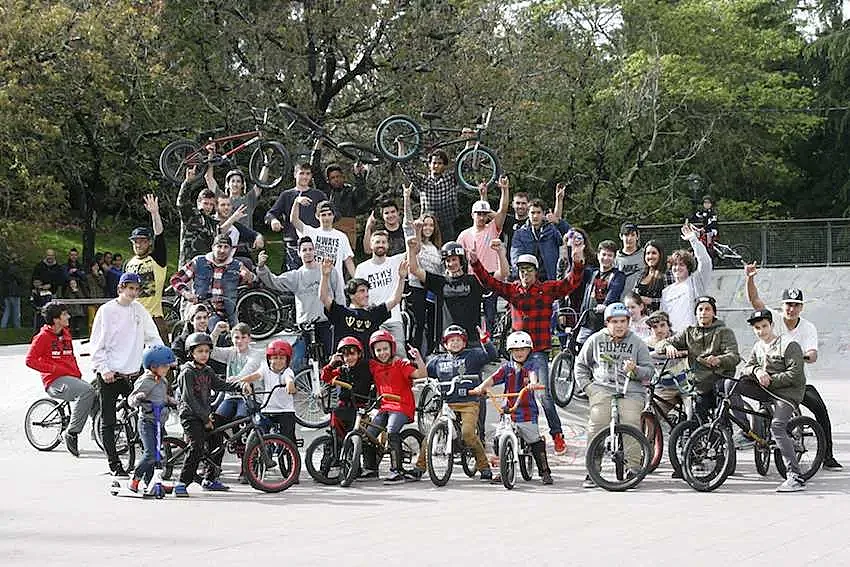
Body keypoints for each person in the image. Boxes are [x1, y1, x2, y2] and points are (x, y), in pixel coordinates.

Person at [471, 242, 586, 455]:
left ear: (535, 272)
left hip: (538, 351)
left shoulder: (546, 290)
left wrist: (577, 262)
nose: (525, 275)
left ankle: (557, 434)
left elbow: (569, 283)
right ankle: (510, 434)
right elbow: (490, 283)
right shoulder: (513, 290)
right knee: (510, 393)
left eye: (529, 270)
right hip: (517, 352)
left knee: (543, 395)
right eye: (522, 271)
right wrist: (475, 263)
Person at [744, 264, 842, 470]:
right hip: (769, 379)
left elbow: (813, 354)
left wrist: (802, 356)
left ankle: (828, 456)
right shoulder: (772, 319)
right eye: (788, 304)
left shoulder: (808, 328)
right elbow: (755, 301)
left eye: (796, 305)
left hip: (796, 380)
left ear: (801, 308)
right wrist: (750, 278)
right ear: (782, 305)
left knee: (821, 412)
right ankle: (756, 439)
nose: (792, 308)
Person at [89, 272, 163, 477]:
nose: (132, 292)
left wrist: (162, 358)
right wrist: (103, 369)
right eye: (129, 288)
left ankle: (152, 460)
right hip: (111, 375)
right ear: (120, 288)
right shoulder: (106, 311)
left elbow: (153, 337)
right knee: (109, 420)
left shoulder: (139, 311)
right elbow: (97, 343)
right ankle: (114, 464)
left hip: (133, 373)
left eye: (136, 289)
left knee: (147, 413)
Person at [575, 302, 655, 488]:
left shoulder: (637, 342)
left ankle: (633, 468)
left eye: (623, 321)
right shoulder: (595, 340)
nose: (619, 325)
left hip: (631, 391)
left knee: (630, 422)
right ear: (607, 323)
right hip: (601, 389)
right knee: (597, 423)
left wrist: (635, 369)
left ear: (628, 322)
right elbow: (580, 366)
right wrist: (588, 388)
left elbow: (649, 371)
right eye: (614, 321)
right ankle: (593, 468)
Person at [411, 325, 498, 481]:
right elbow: (424, 374)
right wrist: (418, 359)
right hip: (446, 404)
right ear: (445, 344)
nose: (455, 343)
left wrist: (485, 340)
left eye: (459, 340)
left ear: (464, 343)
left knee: (468, 433)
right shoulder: (437, 360)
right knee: (430, 434)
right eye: (451, 340)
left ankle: (483, 466)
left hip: (468, 403)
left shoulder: (473, 355)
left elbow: (491, 355)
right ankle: (420, 467)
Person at [737, 309, 808, 491]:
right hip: (767, 390)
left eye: (764, 326)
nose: (761, 331)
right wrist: (757, 371)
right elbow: (748, 366)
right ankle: (745, 431)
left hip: (788, 394)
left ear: (772, 325)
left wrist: (771, 379)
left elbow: (796, 375)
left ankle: (795, 477)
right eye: (757, 328)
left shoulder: (789, 344)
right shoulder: (758, 346)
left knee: (777, 426)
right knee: (731, 385)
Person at [173, 332, 251, 496]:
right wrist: (205, 418)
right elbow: (190, 400)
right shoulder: (187, 372)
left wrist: (240, 386)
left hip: (205, 415)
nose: (204, 355)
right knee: (197, 446)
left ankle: (210, 478)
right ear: (191, 353)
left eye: (207, 351)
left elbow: (221, 385)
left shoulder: (207, 371)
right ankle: (182, 482)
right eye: (200, 351)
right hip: (191, 416)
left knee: (218, 440)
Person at [472, 331, 554, 485]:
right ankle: (504, 469)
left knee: (534, 440)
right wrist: (480, 387)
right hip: (508, 410)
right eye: (515, 350)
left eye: (523, 350)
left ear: (529, 350)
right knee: (498, 438)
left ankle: (544, 471)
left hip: (526, 411)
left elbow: (533, 375)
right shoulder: (507, 368)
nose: (519, 353)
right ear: (510, 352)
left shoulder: (531, 365)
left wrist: (533, 383)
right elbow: (493, 379)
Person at [25, 301, 96, 457]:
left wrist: (77, 374)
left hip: (71, 378)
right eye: (65, 314)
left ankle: (99, 432)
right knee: (87, 391)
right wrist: (53, 369)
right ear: (56, 319)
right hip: (55, 382)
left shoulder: (65, 334)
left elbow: (71, 357)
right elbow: (30, 360)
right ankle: (71, 433)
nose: (68, 316)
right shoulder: (42, 337)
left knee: (95, 391)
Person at [655, 296, 740, 424]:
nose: (703, 313)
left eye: (707, 309)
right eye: (700, 309)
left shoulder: (724, 332)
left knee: (721, 415)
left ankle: (726, 434)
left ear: (714, 313)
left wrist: (719, 360)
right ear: (695, 313)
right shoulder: (689, 332)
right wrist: (668, 346)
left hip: (719, 379)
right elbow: (659, 345)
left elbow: (734, 356)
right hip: (699, 384)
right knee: (697, 417)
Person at [256, 238, 341, 365]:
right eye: (304, 250)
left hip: (326, 322)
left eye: (310, 249)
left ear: (315, 251)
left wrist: (341, 316)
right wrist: (262, 267)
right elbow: (274, 282)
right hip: (306, 325)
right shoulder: (295, 275)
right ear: (299, 253)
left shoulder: (328, 270)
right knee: (305, 361)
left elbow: (339, 293)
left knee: (331, 358)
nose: (307, 253)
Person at [408, 238, 508, 344]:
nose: (451, 264)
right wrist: (411, 250)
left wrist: (500, 253)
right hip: (447, 342)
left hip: (472, 342)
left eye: (454, 259)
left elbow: (502, 274)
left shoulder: (474, 280)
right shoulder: (439, 282)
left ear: (461, 260)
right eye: (448, 260)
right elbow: (414, 269)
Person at [367, 330, 428, 482]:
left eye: (385, 349)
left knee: (391, 431)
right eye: (378, 350)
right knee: (368, 434)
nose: (382, 353)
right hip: (384, 407)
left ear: (392, 348)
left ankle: (397, 470)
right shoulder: (374, 366)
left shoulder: (400, 364)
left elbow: (422, 374)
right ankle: (370, 468)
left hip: (402, 406)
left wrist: (418, 358)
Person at [320, 257, 406, 355]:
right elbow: (324, 297)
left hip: (369, 366)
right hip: (346, 365)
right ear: (351, 295)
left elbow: (395, 300)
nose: (367, 295)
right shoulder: (341, 313)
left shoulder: (373, 313)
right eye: (362, 291)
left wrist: (401, 278)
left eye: (367, 291)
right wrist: (325, 276)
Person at [457, 176, 510, 333]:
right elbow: (458, 258)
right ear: (472, 215)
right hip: (472, 277)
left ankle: (491, 340)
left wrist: (504, 190)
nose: (481, 217)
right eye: (478, 214)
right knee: (471, 311)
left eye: (484, 214)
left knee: (490, 312)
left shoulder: (492, 228)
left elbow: (503, 210)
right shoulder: (464, 235)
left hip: (492, 275)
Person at [320, 337, 378, 476]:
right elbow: (325, 377)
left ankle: (367, 467)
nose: (349, 358)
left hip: (361, 406)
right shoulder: (341, 369)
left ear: (359, 354)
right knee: (335, 435)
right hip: (343, 407)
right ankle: (330, 464)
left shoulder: (368, 365)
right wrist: (331, 364)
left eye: (352, 354)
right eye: (345, 355)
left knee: (363, 436)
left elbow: (381, 371)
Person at [170, 234, 254, 327]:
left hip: (227, 313)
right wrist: (187, 293)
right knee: (209, 323)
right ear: (212, 247)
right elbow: (175, 279)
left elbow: (252, 283)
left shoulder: (236, 265)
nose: (222, 250)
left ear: (230, 250)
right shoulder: (199, 262)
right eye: (219, 246)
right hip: (201, 309)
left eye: (226, 247)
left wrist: (249, 277)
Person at [127, 345, 178, 493]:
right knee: (151, 453)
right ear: (153, 366)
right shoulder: (145, 381)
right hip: (148, 422)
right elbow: (131, 399)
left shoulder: (162, 380)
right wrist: (137, 398)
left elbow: (162, 396)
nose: (167, 369)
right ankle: (135, 478)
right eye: (164, 366)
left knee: (156, 455)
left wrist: (172, 401)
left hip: (159, 422)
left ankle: (150, 483)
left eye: (168, 366)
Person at [265, 161, 328, 271]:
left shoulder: (319, 195)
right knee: (293, 279)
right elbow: (270, 214)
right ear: (295, 174)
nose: (305, 177)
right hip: (293, 244)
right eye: (302, 173)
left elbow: (332, 214)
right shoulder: (287, 195)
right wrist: (273, 221)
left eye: (308, 174)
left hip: (315, 244)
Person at [403, 183, 443, 353]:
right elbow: (407, 224)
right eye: (424, 225)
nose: (427, 228)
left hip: (433, 288)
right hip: (417, 287)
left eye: (430, 225)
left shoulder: (436, 248)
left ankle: (433, 353)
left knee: (433, 323)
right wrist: (406, 199)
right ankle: (415, 354)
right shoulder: (414, 239)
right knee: (419, 322)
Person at [123, 194, 169, 342]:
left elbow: (159, 234)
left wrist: (155, 214)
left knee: (162, 360)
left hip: (153, 318)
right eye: (135, 241)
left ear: (149, 243)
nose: (138, 244)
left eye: (142, 241)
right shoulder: (128, 263)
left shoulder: (157, 259)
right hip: (132, 318)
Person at [291, 197, 355, 302]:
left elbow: (348, 261)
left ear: (333, 216)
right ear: (317, 216)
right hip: (315, 285)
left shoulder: (341, 236)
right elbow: (294, 220)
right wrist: (296, 202)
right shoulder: (311, 232)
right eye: (323, 215)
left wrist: (357, 280)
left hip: (336, 285)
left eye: (329, 214)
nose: (326, 218)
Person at [310, 139, 369, 248]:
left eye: (338, 176)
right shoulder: (326, 191)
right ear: (328, 180)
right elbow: (315, 170)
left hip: (348, 231)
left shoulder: (350, 190)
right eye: (333, 178)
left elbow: (361, 196)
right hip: (330, 232)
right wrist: (317, 147)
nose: (336, 179)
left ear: (343, 177)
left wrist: (358, 176)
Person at [355, 231, 407, 353]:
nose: (381, 245)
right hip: (372, 319)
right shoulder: (362, 268)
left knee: (399, 354)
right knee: (374, 357)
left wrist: (413, 228)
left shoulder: (395, 261)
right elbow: (356, 295)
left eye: (383, 242)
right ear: (371, 245)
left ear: (388, 245)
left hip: (394, 318)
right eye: (377, 242)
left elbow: (414, 249)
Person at [241, 340, 298, 445]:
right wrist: (245, 382)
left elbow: (289, 379)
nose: (278, 361)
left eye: (282, 358)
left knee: (288, 438)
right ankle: (262, 453)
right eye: (275, 358)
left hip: (285, 410)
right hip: (267, 409)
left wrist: (290, 384)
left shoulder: (287, 371)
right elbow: (254, 376)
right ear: (269, 359)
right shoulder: (265, 369)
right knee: (260, 429)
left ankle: (291, 457)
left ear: (287, 360)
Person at [660, 221, 713, 333]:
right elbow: (663, 318)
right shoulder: (666, 292)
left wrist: (693, 239)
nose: (677, 268)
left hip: (695, 336)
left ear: (688, 267)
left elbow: (706, 262)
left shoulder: (696, 281)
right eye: (674, 264)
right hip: (674, 338)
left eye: (681, 264)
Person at [398, 147, 460, 241]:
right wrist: (401, 145)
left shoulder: (450, 178)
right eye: (434, 163)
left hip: (447, 224)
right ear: (429, 165)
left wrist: (469, 141)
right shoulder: (423, 181)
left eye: (440, 163)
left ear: (444, 165)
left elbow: (462, 163)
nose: (436, 166)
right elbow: (405, 166)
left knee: (447, 251)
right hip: (428, 226)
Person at [509, 187, 569, 280]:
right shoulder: (520, 234)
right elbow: (515, 258)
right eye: (532, 213)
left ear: (543, 213)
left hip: (550, 279)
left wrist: (559, 222)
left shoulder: (552, 231)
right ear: (528, 213)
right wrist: (519, 276)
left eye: (538, 212)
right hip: (528, 280)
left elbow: (571, 235)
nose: (535, 216)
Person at [210, 321, 263, 424]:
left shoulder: (255, 354)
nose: (240, 341)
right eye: (236, 338)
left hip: (250, 397)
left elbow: (249, 368)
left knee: (240, 419)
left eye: (243, 337)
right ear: (232, 339)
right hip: (231, 396)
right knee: (217, 419)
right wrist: (216, 332)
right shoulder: (231, 352)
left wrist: (237, 378)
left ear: (249, 339)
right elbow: (210, 351)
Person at [576, 240, 626, 344]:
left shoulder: (618, 276)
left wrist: (605, 305)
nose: (606, 258)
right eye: (603, 254)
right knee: (579, 346)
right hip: (587, 321)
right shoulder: (591, 273)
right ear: (598, 255)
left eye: (610, 255)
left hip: (605, 322)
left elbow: (614, 292)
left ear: (614, 257)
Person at [644, 311, 691, 417]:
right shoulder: (646, 344)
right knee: (652, 416)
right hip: (663, 387)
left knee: (692, 413)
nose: (659, 330)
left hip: (685, 385)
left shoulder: (678, 338)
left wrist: (681, 353)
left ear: (669, 325)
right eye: (655, 327)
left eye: (662, 325)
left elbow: (695, 351)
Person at [634, 240, 666, 314]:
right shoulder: (642, 275)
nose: (650, 256)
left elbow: (672, 299)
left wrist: (651, 301)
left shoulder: (666, 274)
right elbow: (634, 295)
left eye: (654, 253)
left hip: (659, 320)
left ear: (660, 255)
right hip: (641, 320)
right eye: (648, 253)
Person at [615, 222, 645, 301]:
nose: (629, 238)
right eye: (626, 235)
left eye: (632, 235)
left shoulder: (646, 255)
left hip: (640, 302)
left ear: (637, 236)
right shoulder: (615, 257)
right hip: (620, 302)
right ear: (621, 236)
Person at [0, 253, 23, 329]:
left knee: (7, 311)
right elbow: (20, 279)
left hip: (6, 292)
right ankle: (17, 327)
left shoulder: (5, 268)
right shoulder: (15, 268)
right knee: (16, 312)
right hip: (14, 292)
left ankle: (3, 327)